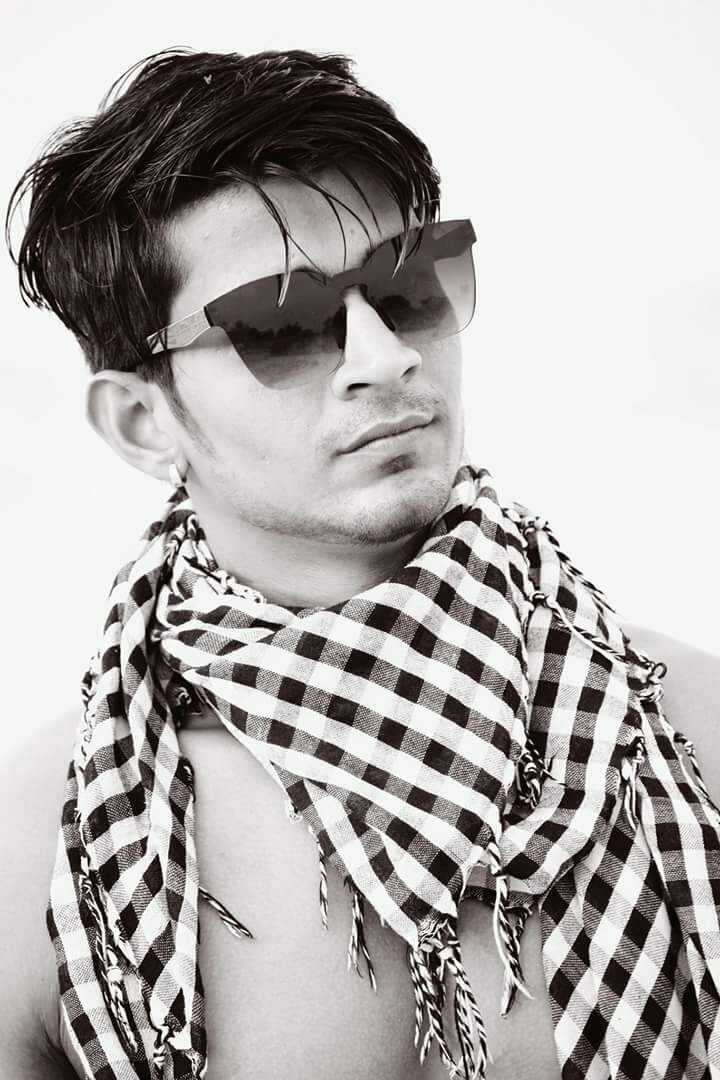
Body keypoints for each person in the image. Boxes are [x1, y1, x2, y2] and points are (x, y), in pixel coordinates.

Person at [3, 48, 719, 1080]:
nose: (386, 357)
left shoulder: (684, 733)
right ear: (141, 422)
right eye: (282, 322)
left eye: (410, 283)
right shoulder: (53, 847)